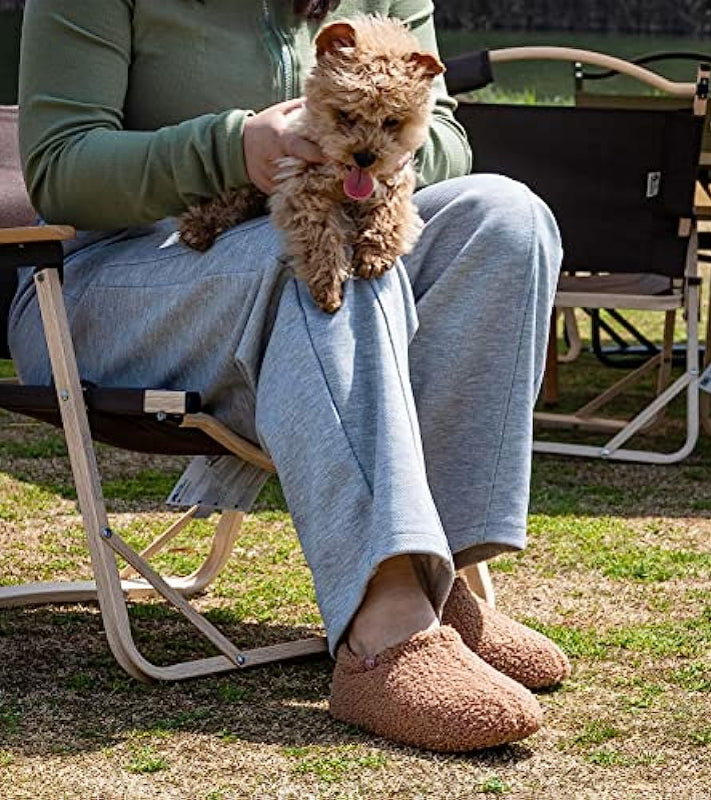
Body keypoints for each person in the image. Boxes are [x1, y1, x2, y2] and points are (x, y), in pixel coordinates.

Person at [10, 0, 568, 752]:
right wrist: (234, 148)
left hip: (297, 249)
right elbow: (61, 171)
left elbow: (447, 142)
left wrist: (360, 148)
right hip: (107, 283)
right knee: (315, 256)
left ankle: (444, 579)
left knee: (507, 217)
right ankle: (385, 629)